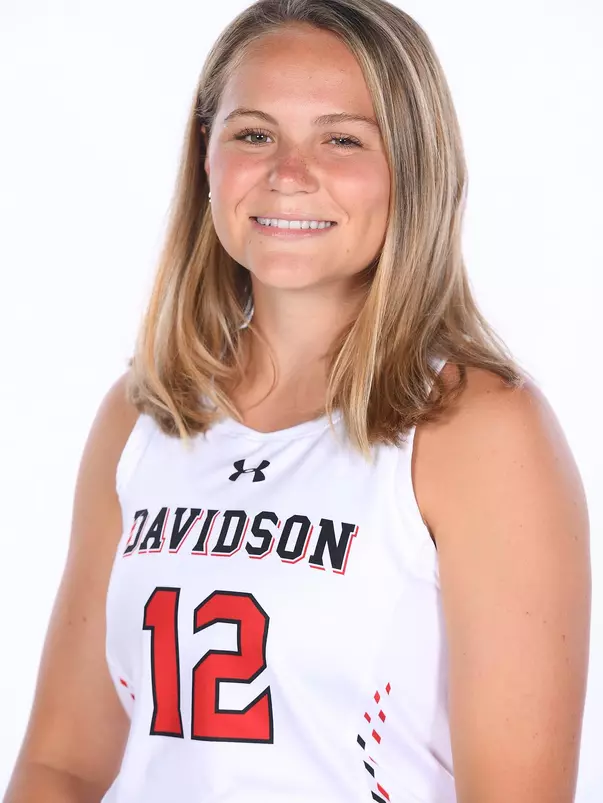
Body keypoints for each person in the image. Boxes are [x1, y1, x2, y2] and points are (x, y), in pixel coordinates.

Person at [4, 1, 591, 801]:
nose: (287, 172)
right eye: (253, 134)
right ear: (205, 157)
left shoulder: (476, 427)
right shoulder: (145, 414)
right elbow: (60, 765)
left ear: (412, 166)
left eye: (341, 139)